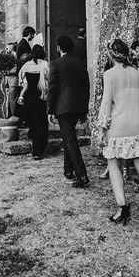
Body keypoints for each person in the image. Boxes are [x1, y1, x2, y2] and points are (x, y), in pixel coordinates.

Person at [97, 39, 139, 226]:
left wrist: (102, 128)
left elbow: (106, 103)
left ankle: (123, 208)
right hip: (137, 126)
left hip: (117, 126)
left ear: (111, 54)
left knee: (113, 165)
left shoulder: (109, 74)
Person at [47, 35, 90, 188]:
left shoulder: (55, 64)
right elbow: (86, 87)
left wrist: (50, 110)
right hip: (77, 107)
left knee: (70, 140)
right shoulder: (80, 63)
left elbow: (52, 88)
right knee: (68, 138)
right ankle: (68, 170)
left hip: (63, 108)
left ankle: (82, 174)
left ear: (59, 48)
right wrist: (84, 110)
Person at [18, 45, 50, 159]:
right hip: (40, 96)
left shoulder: (26, 65)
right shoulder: (45, 64)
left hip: (29, 97)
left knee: (33, 123)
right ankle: (39, 150)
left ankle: (35, 150)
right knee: (41, 123)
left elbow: (22, 81)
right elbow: (48, 79)